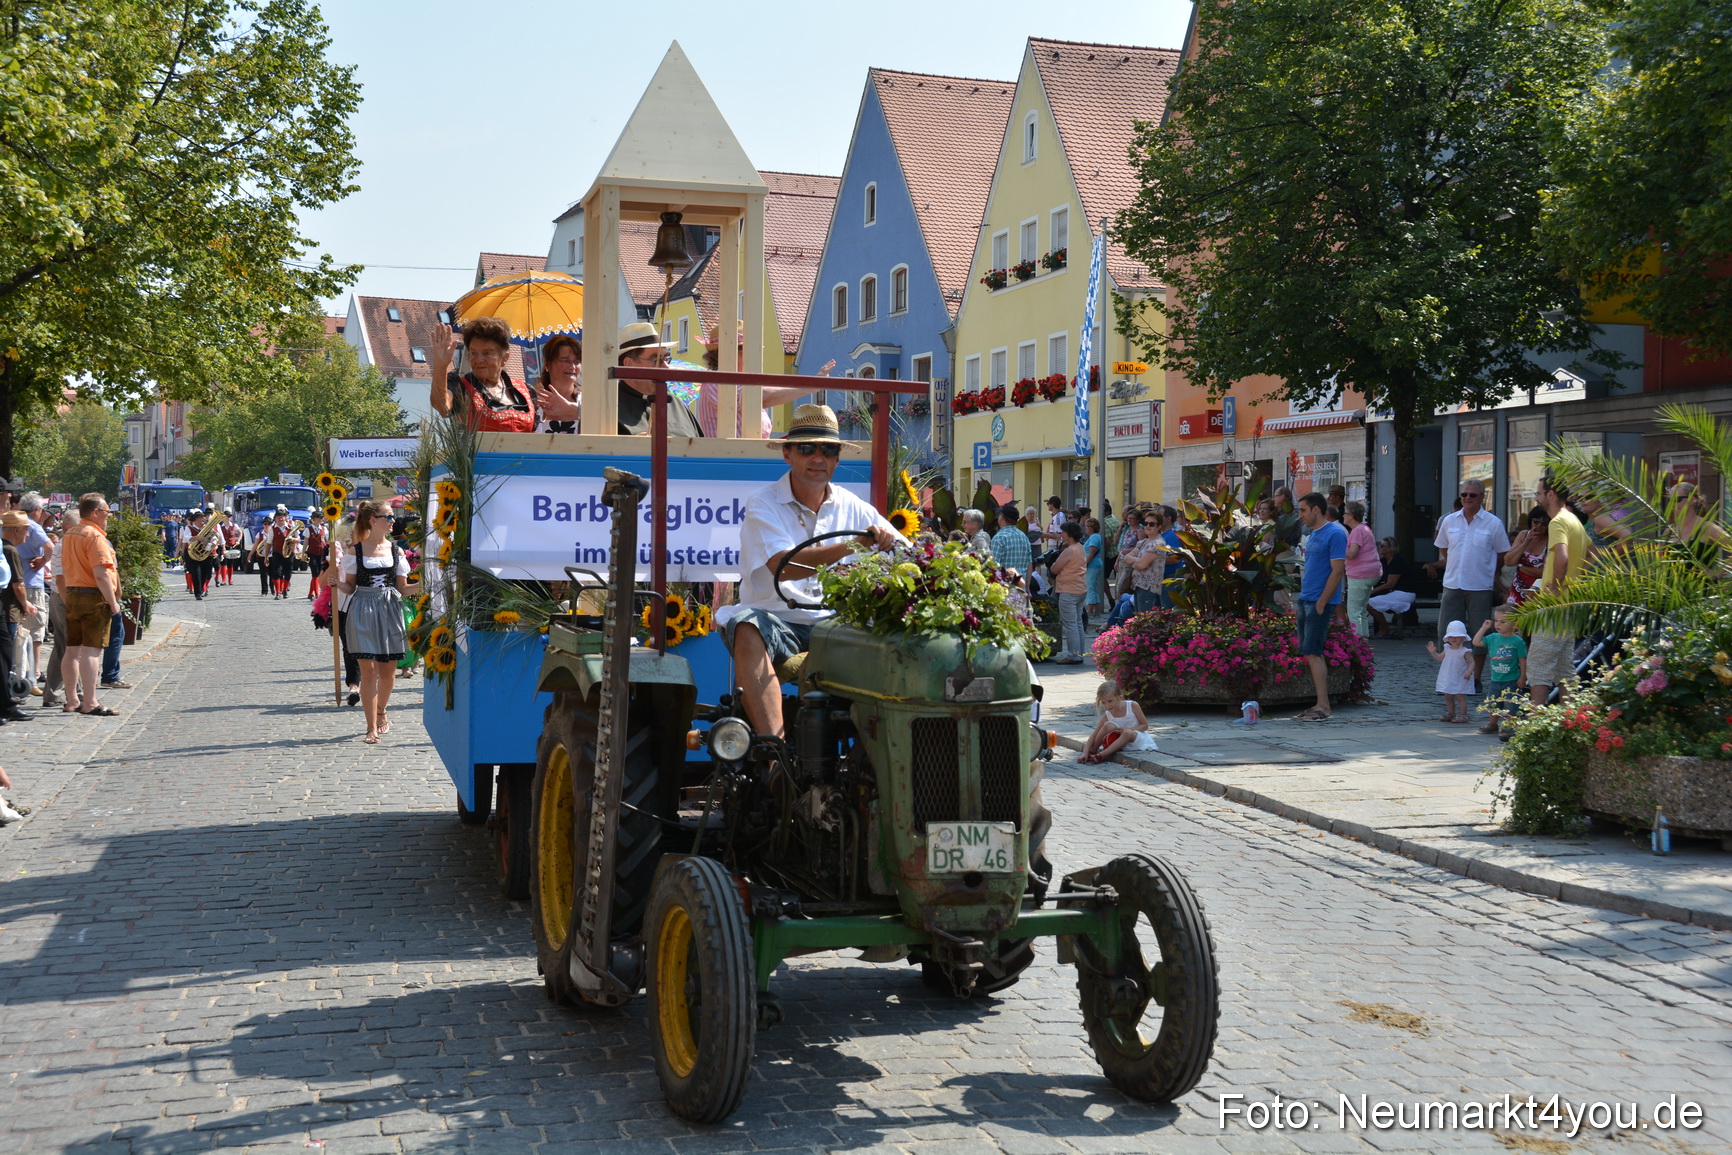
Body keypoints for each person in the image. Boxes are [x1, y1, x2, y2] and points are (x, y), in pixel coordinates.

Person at [720, 404, 903, 737]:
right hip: (778, 621)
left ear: (836, 459)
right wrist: (856, 545)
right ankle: (773, 751)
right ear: (787, 454)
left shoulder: (854, 505)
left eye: (829, 449)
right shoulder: (762, 502)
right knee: (746, 626)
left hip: (836, 625)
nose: (818, 458)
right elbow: (784, 567)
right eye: (807, 448)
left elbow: (908, 553)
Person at [335, 500, 411, 742]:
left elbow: (403, 588)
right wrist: (337, 584)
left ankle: (381, 710)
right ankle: (370, 727)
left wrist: (429, 583)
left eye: (392, 517)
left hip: (389, 608)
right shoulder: (355, 551)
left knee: (388, 673)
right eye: (387, 517)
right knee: (368, 671)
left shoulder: (397, 551)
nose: (392, 521)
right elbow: (350, 587)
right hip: (363, 608)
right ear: (373, 520)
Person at [1429, 479, 1509, 677]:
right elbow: (1443, 547)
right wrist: (1453, 564)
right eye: (1464, 495)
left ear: (1482, 497)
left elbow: (1502, 553)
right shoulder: (1449, 521)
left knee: (1479, 635)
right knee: (1446, 632)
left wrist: (1487, 571)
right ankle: (1449, 676)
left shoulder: (1493, 523)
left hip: (1479, 586)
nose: (1467, 498)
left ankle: (1476, 678)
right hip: (1452, 584)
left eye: (1472, 495)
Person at [1528, 475, 1589, 706]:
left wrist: (1555, 585)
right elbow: (1591, 554)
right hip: (1571, 603)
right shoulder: (1574, 520)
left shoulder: (1558, 522)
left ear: (1551, 494)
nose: (1536, 497)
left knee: (1539, 666)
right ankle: (1567, 721)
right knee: (1565, 669)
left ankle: (1534, 723)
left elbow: (1561, 557)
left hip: (1555, 605)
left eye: (1539, 493)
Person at [59, 493, 122, 716]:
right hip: (93, 597)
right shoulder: (94, 536)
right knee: (92, 651)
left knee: (72, 649)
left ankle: (72, 700)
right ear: (95, 513)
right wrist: (113, 602)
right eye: (106, 512)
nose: (108, 516)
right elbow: (102, 574)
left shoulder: (70, 534)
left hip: (73, 593)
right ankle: (91, 702)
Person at [696, 329, 820, 437]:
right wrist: (808, 387)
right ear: (728, 353)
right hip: (730, 457)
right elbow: (756, 397)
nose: (752, 357)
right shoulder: (716, 381)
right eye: (747, 351)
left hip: (741, 455)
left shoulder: (733, 382)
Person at [428, 316, 540, 432]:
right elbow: (442, 406)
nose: (479, 359)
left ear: (504, 358)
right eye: (474, 353)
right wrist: (440, 366)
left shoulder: (526, 390)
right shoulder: (460, 386)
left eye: (487, 353)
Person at [1294, 492, 1345, 721]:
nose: (1300, 515)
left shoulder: (1335, 533)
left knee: (1314, 652)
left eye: (1303, 510)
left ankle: (1323, 706)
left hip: (1318, 601)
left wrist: (1323, 602)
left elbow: (1337, 570)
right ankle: (1319, 704)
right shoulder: (1314, 533)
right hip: (1306, 598)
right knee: (1309, 652)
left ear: (1316, 510)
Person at [613, 322, 703, 438]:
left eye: (666, 359)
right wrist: (631, 447)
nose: (666, 367)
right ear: (629, 364)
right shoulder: (609, 408)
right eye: (656, 360)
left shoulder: (677, 404)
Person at [12, 494, 51, 691]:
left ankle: (25, 673)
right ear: (37, 510)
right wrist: (43, 562)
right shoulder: (32, 526)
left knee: (20, 631)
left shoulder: (14, 521)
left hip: (17, 582)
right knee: (34, 629)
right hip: (30, 583)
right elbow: (50, 547)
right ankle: (32, 674)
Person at [0, 516, 34, 723]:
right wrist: (25, 604)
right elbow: (17, 583)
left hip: (1, 605)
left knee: (5, 654)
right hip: (8, 605)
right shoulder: (9, 548)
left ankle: (5, 705)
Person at [40, 511, 75, 709]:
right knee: (67, 648)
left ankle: (67, 692)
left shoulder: (66, 544)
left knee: (67, 648)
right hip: (63, 598)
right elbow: (61, 579)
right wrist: (69, 602)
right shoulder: (64, 545)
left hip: (61, 597)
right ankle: (57, 694)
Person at [1474, 608, 1527, 734]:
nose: (1498, 624)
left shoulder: (1517, 641)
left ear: (1513, 623)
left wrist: (1523, 676)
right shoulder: (1493, 637)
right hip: (1495, 679)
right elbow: (1476, 642)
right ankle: (1492, 724)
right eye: (1496, 621)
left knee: (1511, 705)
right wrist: (1484, 628)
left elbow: (1523, 659)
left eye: (1503, 621)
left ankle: (1509, 726)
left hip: (1512, 680)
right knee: (1493, 704)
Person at [327, 514, 361, 706]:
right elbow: (323, 581)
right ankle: (354, 687)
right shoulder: (338, 554)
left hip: (366, 605)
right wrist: (332, 571)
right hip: (343, 605)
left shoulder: (370, 553)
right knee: (349, 648)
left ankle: (365, 683)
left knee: (365, 648)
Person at [1080, 679, 1156, 762]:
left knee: (1127, 732)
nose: (1107, 706)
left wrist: (1130, 729)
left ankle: (1102, 755)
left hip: (1136, 739)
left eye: (1110, 701)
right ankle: (1093, 750)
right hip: (1119, 743)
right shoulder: (1108, 713)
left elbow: (1145, 726)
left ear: (1120, 697)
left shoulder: (1132, 706)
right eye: (1103, 702)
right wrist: (1085, 751)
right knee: (1108, 726)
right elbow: (1095, 733)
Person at [1049, 522, 1088, 664]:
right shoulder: (1080, 548)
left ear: (1069, 534)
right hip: (1080, 588)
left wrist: (1052, 565)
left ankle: (1073, 655)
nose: (1061, 534)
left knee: (1070, 624)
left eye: (1063, 532)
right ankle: (1079, 653)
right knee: (1077, 623)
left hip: (1068, 589)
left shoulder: (1069, 550)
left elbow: (1055, 568)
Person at [1342, 501, 1380, 638]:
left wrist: (1337, 550)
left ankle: (1357, 646)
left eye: (1345, 513)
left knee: (1354, 611)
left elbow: (1352, 553)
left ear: (1351, 515)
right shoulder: (1365, 528)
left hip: (1360, 574)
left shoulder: (1357, 531)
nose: (1343, 515)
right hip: (1372, 573)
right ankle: (1363, 643)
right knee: (1361, 610)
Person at [1367, 538, 1417, 638]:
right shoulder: (1384, 561)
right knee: (1368, 602)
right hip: (1393, 592)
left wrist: (1372, 591)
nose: (1379, 548)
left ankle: (1385, 628)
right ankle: (1383, 627)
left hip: (1404, 593)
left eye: (1382, 546)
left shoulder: (1397, 561)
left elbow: (1390, 584)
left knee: (1369, 603)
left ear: (1390, 549)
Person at [1428, 620, 1476, 723]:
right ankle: (1451, 713)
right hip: (1448, 676)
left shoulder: (1465, 651)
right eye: (1451, 636)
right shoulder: (1447, 648)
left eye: (1457, 636)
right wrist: (1433, 653)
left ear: (1463, 637)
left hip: (1460, 676)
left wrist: (1469, 672)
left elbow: (1472, 662)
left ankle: (1463, 714)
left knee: (1460, 695)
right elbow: (1440, 658)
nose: (1454, 639)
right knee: (1448, 695)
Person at [534, 334, 582, 433]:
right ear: (547, 364)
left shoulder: (588, 402)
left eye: (576, 362)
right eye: (565, 360)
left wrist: (572, 409)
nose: (572, 367)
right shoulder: (532, 402)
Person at [1503, 507, 1549, 605]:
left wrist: (1520, 567)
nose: (1539, 526)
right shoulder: (1523, 535)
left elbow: (1544, 572)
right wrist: (1525, 543)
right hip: (1517, 589)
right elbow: (1508, 561)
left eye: (1544, 523)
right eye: (1536, 522)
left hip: (1537, 593)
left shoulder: (1549, 541)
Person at [1125, 510, 1168, 613]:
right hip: (1138, 585)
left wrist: (1138, 562)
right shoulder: (1143, 542)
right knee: (1139, 620)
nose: (1148, 526)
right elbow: (1126, 558)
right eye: (1145, 523)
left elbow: (1141, 565)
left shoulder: (1158, 544)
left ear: (1159, 527)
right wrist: (1140, 561)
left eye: (1152, 524)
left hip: (1149, 588)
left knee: (1146, 621)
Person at [179, 510, 217, 600]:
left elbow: (215, 536)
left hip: (205, 554)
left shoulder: (207, 528)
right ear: (195, 520)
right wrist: (197, 538)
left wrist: (214, 542)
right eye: (200, 517)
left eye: (203, 517)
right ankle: (198, 593)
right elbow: (186, 538)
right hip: (193, 555)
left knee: (205, 574)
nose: (203, 519)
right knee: (196, 573)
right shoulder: (189, 528)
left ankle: (201, 588)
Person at [990, 504, 1032, 581]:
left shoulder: (999, 538)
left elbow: (994, 565)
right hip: (1021, 586)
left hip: (1004, 586)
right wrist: (1028, 588)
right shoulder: (1024, 537)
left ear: (1002, 517)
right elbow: (1029, 564)